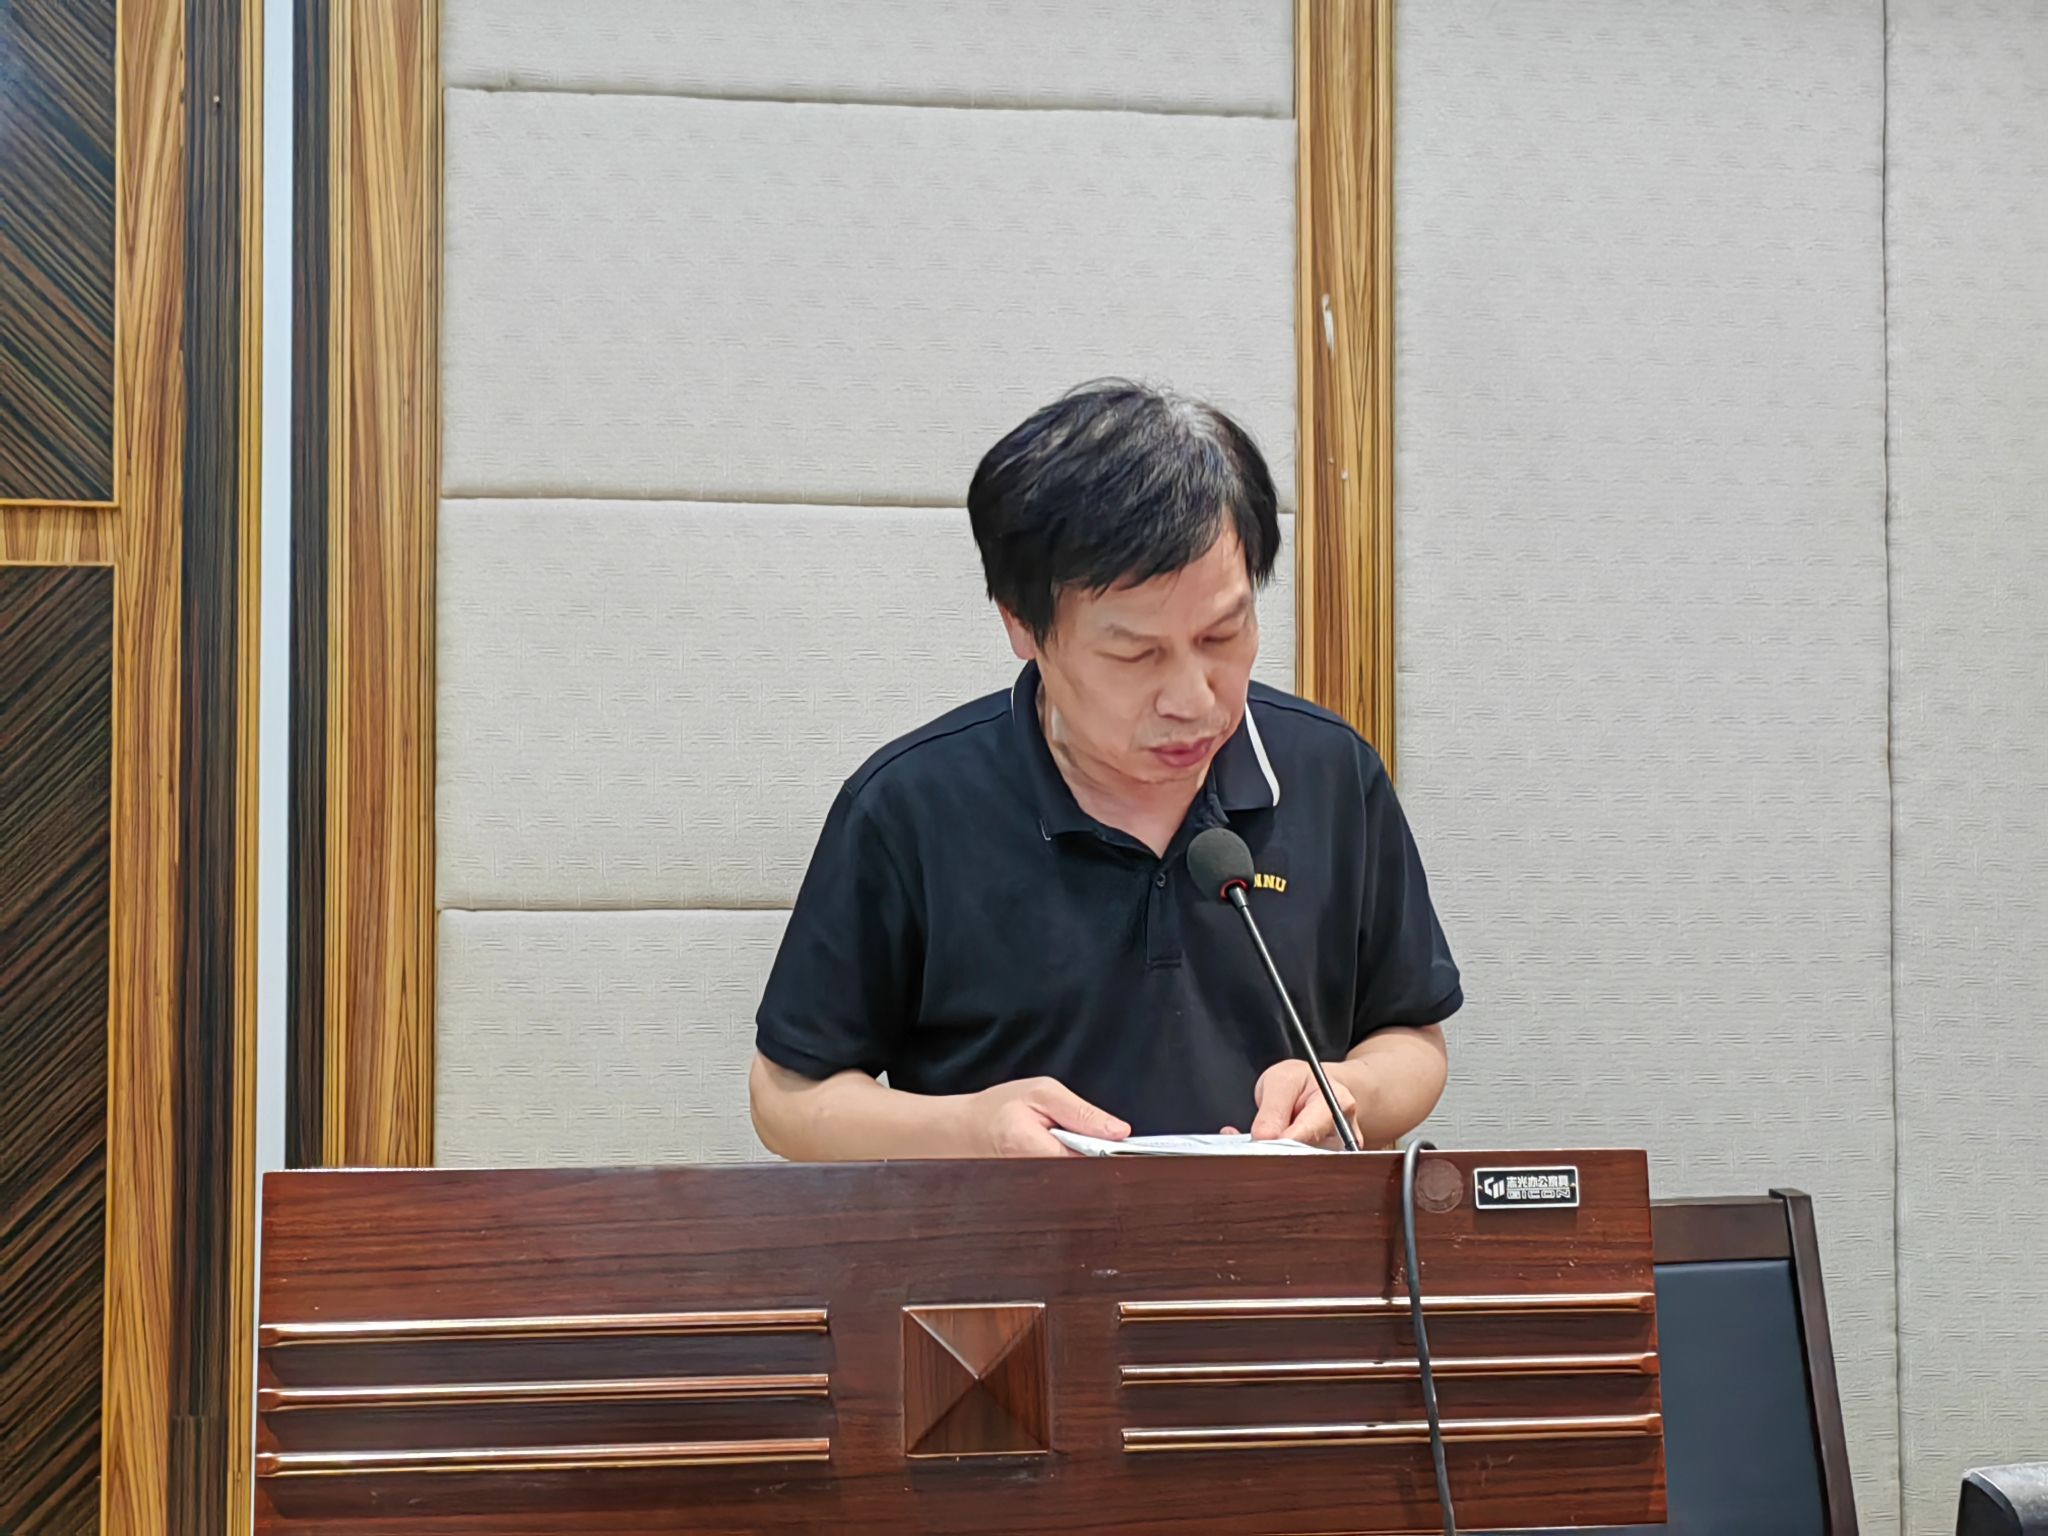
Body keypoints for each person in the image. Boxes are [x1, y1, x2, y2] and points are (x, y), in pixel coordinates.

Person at [749, 381, 1461, 1159]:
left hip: (1279, 1239)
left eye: (1222, 636)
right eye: (1136, 654)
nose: (1193, 700)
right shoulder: (910, 807)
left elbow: (1410, 1036)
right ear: (1022, 625)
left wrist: (1351, 1090)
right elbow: (788, 1097)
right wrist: (970, 1130)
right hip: (1007, 1238)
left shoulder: (1330, 774)